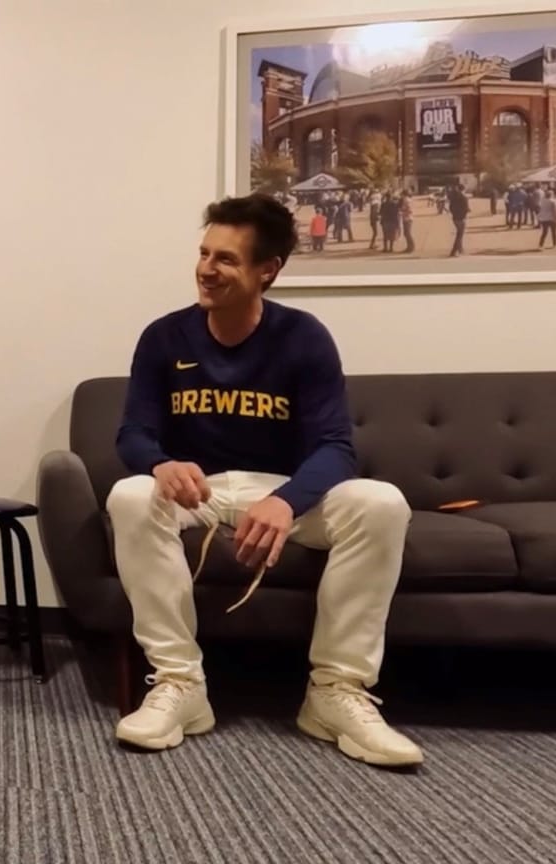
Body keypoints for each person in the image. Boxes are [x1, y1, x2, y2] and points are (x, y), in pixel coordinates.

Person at [106, 193, 422, 769]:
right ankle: (180, 684)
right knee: (129, 495)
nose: (206, 269)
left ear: (266, 270)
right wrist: (159, 463)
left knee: (382, 504)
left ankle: (335, 692)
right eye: (204, 253)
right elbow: (132, 432)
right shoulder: (164, 337)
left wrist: (286, 499)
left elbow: (335, 447)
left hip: (278, 489)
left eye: (226, 259)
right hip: (197, 493)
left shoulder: (303, 337)